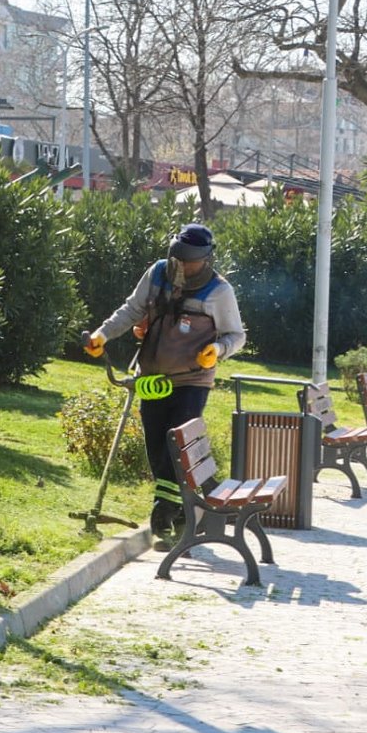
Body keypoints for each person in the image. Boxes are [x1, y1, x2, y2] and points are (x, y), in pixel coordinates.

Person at [83, 224, 246, 547]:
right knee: (156, 447)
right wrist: (103, 334)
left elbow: (236, 335)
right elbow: (132, 310)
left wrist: (218, 351)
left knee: (176, 443)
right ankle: (182, 510)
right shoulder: (157, 273)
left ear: (206, 260)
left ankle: (164, 514)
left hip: (192, 380)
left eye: (190, 262)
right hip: (152, 378)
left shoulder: (219, 291)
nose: (182, 267)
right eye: (178, 259)